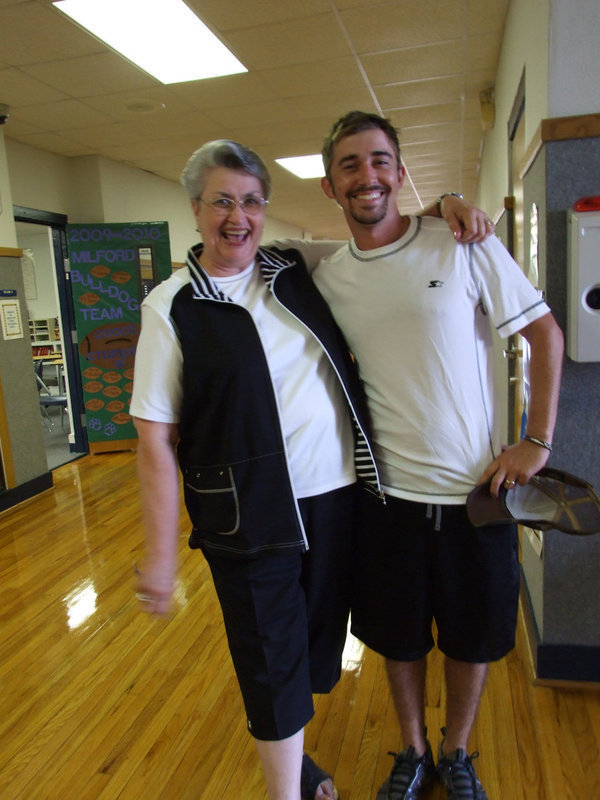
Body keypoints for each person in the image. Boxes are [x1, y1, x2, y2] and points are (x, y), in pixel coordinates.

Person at [129, 138, 494, 800]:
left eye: (251, 201)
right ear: (195, 210)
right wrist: (158, 552)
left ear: (265, 209)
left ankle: (293, 758)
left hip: (336, 500)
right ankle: (286, 790)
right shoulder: (171, 308)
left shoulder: (295, 268)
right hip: (248, 515)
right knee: (271, 658)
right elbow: (155, 437)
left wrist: (443, 204)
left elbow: (377, 236)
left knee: (313, 651)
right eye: (221, 202)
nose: (237, 217)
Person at [312, 111, 564, 800]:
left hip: (476, 493)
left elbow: (546, 337)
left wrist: (535, 441)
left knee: (473, 637)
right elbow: (261, 255)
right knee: (398, 637)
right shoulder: (329, 279)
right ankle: (414, 752)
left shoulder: (463, 244)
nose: (368, 176)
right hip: (385, 499)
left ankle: (456, 752)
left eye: (380, 160)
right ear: (330, 185)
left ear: (399, 169)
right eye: (350, 165)